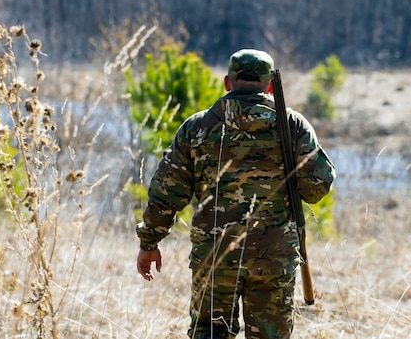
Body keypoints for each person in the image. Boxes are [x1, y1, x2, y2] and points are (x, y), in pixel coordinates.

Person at [136, 48, 336, 339]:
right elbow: (317, 188)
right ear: (270, 86)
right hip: (274, 257)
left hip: (215, 256)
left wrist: (150, 240)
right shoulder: (293, 126)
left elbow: (167, 191)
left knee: (209, 333)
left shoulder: (197, 127)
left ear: (227, 83)